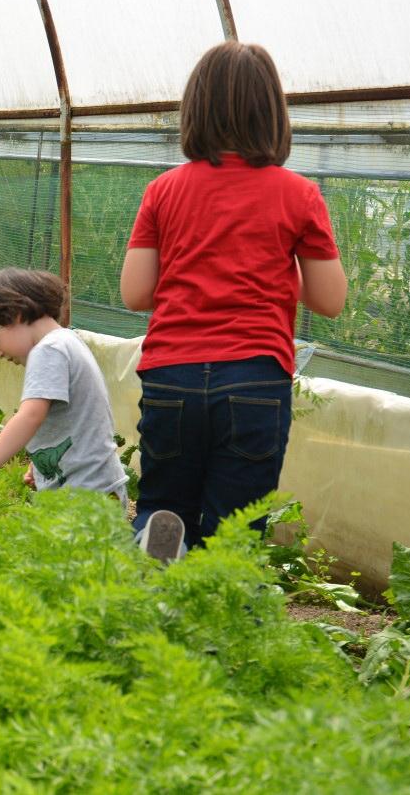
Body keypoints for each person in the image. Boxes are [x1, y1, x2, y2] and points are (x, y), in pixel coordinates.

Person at [120, 41, 346, 560]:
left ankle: (158, 576)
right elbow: (329, 300)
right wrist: (274, 255)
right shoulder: (298, 195)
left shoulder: (163, 190)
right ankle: (220, 624)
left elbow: (136, 294)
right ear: (273, 113)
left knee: (165, 504)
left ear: (194, 109)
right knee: (235, 526)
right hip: (254, 380)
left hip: (171, 376)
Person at [0, 268, 127, 505]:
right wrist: (40, 465)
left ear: (14, 313)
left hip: (85, 492)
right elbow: (72, 423)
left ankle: (145, 540)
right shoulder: (66, 342)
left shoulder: (48, 350)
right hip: (95, 486)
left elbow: (30, 416)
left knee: (77, 543)